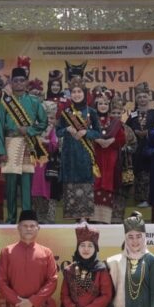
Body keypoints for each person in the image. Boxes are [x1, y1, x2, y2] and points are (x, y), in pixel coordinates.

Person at [0, 66, 48, 224]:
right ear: (11, 82)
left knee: (26, 185)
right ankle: (11, 218)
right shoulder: (5, 102)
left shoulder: (34, 101)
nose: (19, 83)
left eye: (22, 80)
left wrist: (30, 129)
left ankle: (26, 218)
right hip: (10, 143)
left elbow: (44, 123)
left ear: (26, 82)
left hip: (28, 143)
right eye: (15, 81)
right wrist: (1, 151)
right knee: (10, 186)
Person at [57, 76, 101, 222]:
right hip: (69, 156)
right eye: (74, 92)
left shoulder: (92, 112)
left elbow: (98, 133)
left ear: (84, 93)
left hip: (85, 155)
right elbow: (57, 131)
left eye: (79, 91)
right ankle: (74, 222)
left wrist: (86, 132)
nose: (76, 94)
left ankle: (85, 220)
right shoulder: (65, 112)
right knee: (71, 188)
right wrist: (67, 129)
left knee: (86, 186)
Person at [92, 87, 126, 224]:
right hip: (95, 158)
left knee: (107, 184)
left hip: (110, 160)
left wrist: (112, 140)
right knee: (95, 185)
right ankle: (93, 220)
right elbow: (85, 136)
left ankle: (105, 220)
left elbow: (122, 139)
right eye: (100, 103)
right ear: (96, 105)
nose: (103, 106)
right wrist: (97, 139)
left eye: (105, 103)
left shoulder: (115, 122)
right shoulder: (90, 120)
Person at [126, 81, 154, 208]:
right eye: (139, 97)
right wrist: (135, 132)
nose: (142, 99)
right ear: (136, 99)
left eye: (144, 97)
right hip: (137, 148)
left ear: (148, 98)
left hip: (150, 147)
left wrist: (148, 132)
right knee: (138, 172)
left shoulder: (153, 113)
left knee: (149, 173)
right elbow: (126, 129)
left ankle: (149, 198)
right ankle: (139, 199)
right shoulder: (133, 114)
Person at [31, 101, 59, 224]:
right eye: (46, 117)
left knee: (49, 191)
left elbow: (55, 144)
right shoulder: (35, 127)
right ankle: (36, 217)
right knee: (35, 190)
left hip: (49, 165)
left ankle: (48, 219)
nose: (49, 120)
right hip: (35, 163)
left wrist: (45, 142)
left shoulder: (53, 130)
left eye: (52, 117)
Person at [111, 96, 138, 223]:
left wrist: (125, 149)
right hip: (108, 168)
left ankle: (118, 221)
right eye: (114, 113)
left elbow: (134, 145)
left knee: (121, 195)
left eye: (118, 113)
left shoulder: (127, 129)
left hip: (123, 167)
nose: (116, 115)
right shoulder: (104, 127)